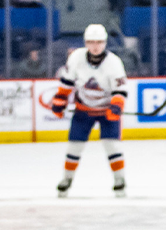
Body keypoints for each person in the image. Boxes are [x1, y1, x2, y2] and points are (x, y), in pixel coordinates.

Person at [51, 24, 129, 198]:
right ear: (86, 43)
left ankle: (119, 179)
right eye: (91, 42)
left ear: (105, 43)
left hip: (106, 110)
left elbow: (120, 90)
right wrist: (59, 100)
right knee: (74, 147)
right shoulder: (76, 57)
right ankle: (67, 179)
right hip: (83, 110)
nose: (95, 46)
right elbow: (67, 82)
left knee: (112, 145)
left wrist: (116, 107)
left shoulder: (114, 63)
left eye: (99, 42)